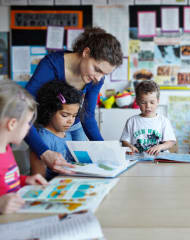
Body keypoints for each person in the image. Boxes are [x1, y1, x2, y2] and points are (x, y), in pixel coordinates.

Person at [24, 27, 123, 175]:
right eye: (97, 69)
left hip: (76, 127)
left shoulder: (96, 78)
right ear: (86, 52)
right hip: (48, 127)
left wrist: (106, 150)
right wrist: (43, 151)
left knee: (80, 171)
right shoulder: (51, 65)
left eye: (104, 74)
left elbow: (87, 116)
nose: (98, 78)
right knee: (47, 172)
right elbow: (23, 110)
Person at [0, 80, 47, 214]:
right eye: (27, 123)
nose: (29, 128)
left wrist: (25, 180)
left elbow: (7, 181)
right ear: (12, 124)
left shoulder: (6, 149)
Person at [30, 80, 82, 180]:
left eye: (74, 116)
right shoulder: (43, 138)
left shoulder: (67, 132)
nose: (70, 121)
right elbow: (38, 178)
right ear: (49, 111)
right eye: (65, 115)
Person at [120, 80, 176, 155]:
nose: (148, 106)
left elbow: (171, 142)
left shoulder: (163, 121)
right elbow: (124, 141)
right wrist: (130, 146)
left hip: (159, 160)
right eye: (143, 102)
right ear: (137, 102)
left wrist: (160, 147)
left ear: (158, 101)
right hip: (138, 160)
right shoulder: (132, 121)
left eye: (152, 102)